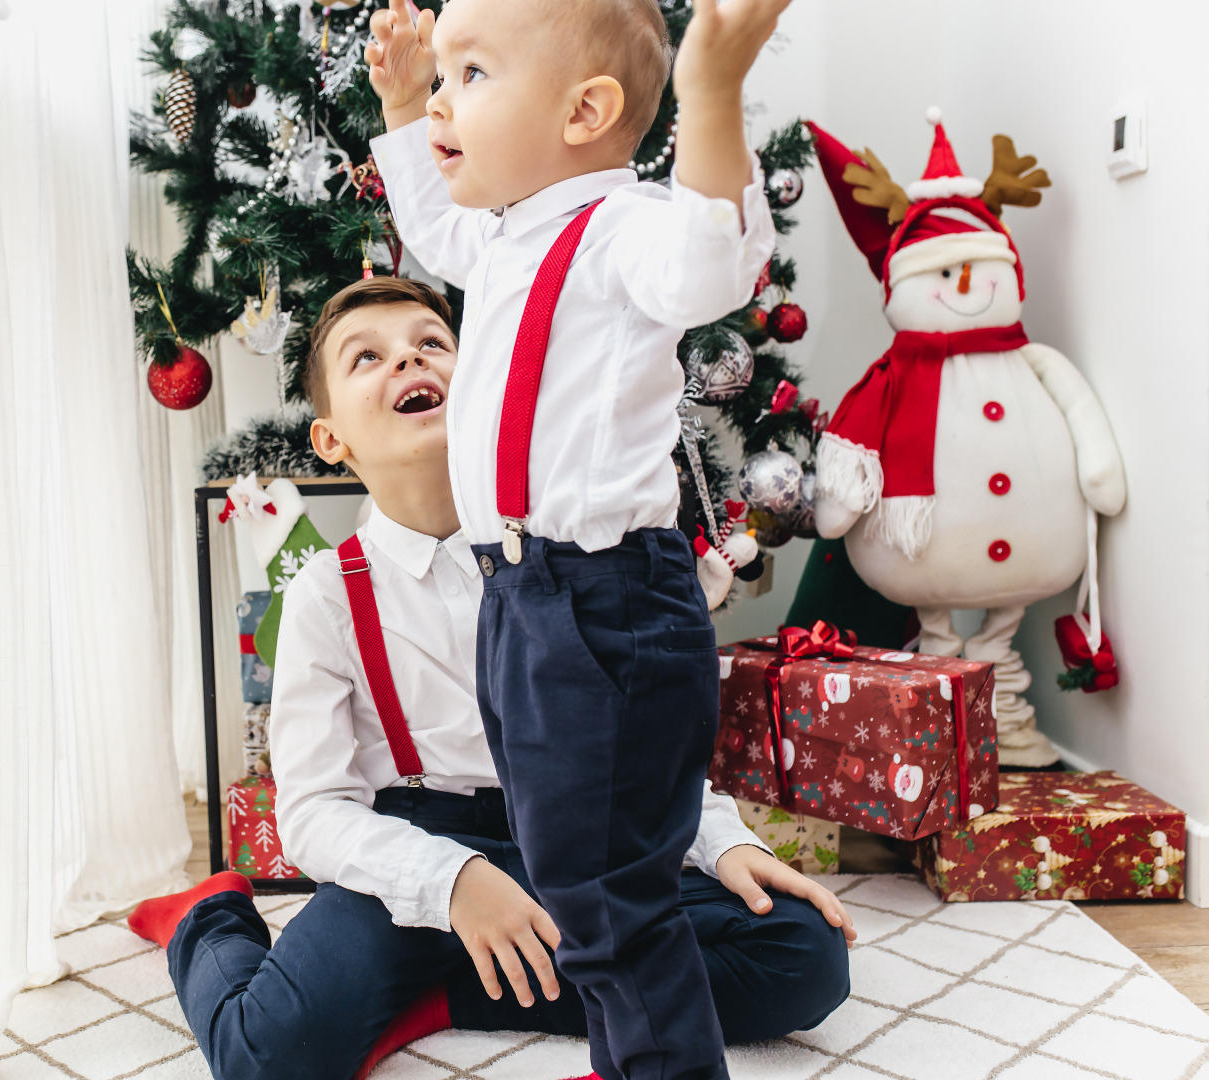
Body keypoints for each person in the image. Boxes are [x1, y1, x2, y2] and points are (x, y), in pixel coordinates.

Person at [127, 279, 851, 1080]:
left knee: (801, 958)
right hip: (416, 841)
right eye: (367, 356)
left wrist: (722, 844)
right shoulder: (326, 593)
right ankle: (209, 916)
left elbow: (640, 743)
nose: (407, 355)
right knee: (270, 1056)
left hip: (579, 836)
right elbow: (313, 812)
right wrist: (453, 883)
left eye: (431, 343)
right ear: (331, 439)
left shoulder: (569, 549)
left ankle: (451, 992)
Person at [363, 2, 790, 1076]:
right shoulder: (504, 235)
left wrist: (712, 89)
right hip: (520, 600)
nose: (443, 98)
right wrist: (400, 100)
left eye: (469, 73)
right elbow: (429, 221)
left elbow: (710, 265)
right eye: (442, 76)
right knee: (573, 870)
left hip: (603, 602)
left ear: (583, 110)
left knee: (608, 894)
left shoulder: (626, 227)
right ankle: (625, 1056)